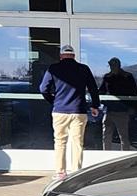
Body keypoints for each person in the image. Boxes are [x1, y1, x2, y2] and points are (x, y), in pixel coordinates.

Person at [39, 44, 100, 178]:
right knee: (78, 143)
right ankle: (76, 172)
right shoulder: (83, 69)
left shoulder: (53, 69)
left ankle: (61, 172)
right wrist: (95, 105)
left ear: (61, 56)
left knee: (60, 141)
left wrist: (53, 101)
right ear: (73, 55)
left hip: (60, 111)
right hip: (79, 111)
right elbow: (93, 88)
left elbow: (43, 88)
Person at [100, 57, 137, 151]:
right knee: (106, 136)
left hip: (122, 111)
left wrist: (132, 107)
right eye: (111, 65)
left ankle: (124, 159)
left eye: (114, 65)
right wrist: (103, 102)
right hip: (109, 110)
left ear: (118, 65)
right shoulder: (107, 77)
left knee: (124, 136)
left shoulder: (127, 77)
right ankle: (106, 156)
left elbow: (134, 94)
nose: (112, 67)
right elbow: (101, 92)